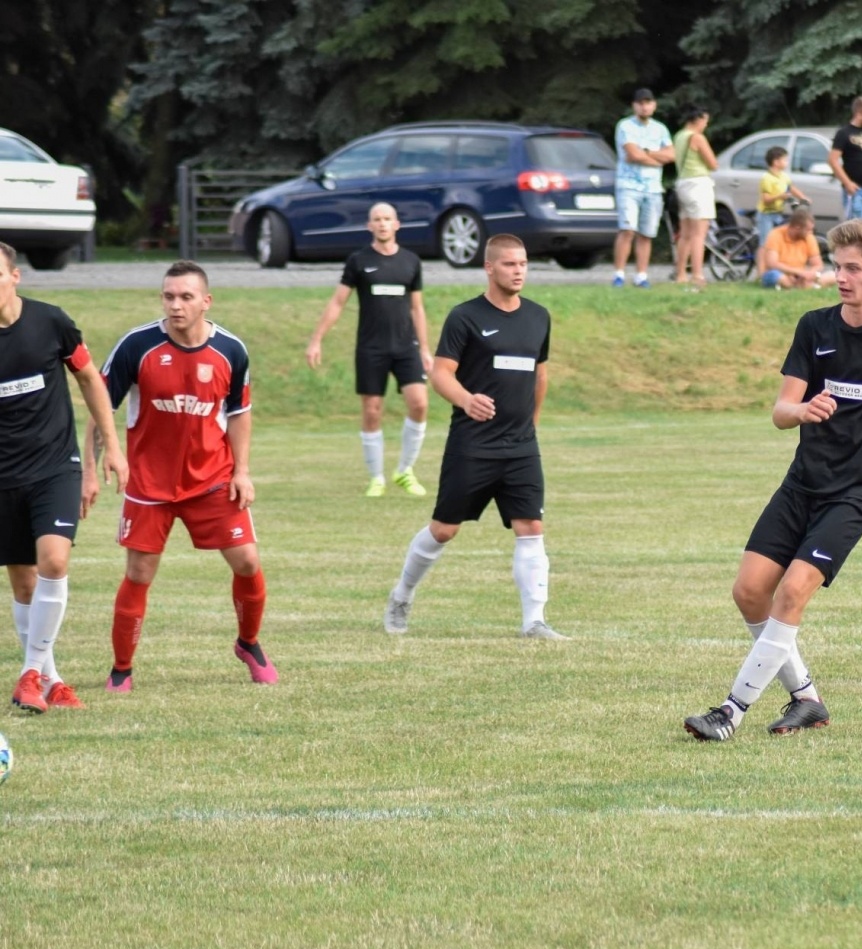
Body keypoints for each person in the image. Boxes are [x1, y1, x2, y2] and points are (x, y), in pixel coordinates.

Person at [684, 220, 862, 742]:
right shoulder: (814, 327)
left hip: (857, 492)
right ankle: (807, 699)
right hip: (802, 483)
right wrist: (802, 408)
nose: (841, 276)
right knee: (748, 593)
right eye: (837, 266)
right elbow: (780, 411)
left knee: (791, 593)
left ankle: (730, 712)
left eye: (853, 268)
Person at [92, 260, 276, 691]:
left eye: (186, 297)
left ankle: (248, 643)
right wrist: (97, 462)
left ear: (205, 302)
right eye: (169, 296)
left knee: (248, 560)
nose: (176, 305)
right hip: (149, 484)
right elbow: (101, 405)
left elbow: (240, 413)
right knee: (139, 572)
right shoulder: (137, 346)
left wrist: (243, 471)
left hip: (212, 477)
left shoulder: (231, 350)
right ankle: (121, 670)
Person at [384, 234, 565, 640]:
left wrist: (530, 423)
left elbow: (540, 374)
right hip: (473, 444)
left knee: (531, 526)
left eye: (522, 264)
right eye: (509, 265)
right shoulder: (465, 317)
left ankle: (533, 621)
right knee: (444, 529)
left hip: (520, 446)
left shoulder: (538, 316)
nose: (518, 271)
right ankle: (402, 594)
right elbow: (440, 373)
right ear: (489, 267)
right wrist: (467, 400)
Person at [0, 241, 127, 712]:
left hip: (54, 467)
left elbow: (91, 378)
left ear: (16, 277)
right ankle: (49, 679)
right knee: (25, 586)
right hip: (3, 477)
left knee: (53, 562)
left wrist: (111, 446)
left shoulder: (51, 321)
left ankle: (29, 672)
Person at [305, 202, 433, 498]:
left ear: (396, 224)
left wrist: (425, 348)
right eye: (377, 219)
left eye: (388, 218)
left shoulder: (411, 261)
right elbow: (338, 302)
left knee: (420, 404)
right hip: (371, 347)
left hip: (406, 347)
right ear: (369, 226)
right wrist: (316, 339)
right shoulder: (359, 261)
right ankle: (376, 477)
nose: (383, 224)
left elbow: (417, 307)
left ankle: (404, 470)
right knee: (372, 411)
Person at [612, 88, 674, 289]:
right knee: (628, 229)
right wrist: (656, 159)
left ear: (654, 105)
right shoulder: (625, 126)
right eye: (640, 103)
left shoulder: (660, 129)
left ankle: (641, 275)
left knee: (646, 233)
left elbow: (671, 156)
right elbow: (632, 154)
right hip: (628, 186)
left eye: (648, 102)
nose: (644, 106)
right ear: (634, 105)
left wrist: (645, 152)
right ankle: (619, 274)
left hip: (653, 188)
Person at [671, 107, 719, 288]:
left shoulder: (679, 136)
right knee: (699, 234)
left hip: (682, 184)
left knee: (685, 234)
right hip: (698, 184)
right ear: (697, 120)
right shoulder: (697, 137)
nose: (706, 125)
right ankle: (697, 274)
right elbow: (712, 163)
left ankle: (681, 273)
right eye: (705, 121)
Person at [758, 207, 835, 290]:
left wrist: (809, 274)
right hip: (780, 273)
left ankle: (801, 285)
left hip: (800, 276)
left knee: (833, 275)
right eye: (808, 230)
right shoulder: (775, 234)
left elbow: (818, 264)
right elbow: (772, 264)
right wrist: (797, 272)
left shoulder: (809, 237)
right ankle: (809, 286)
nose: (811, 232)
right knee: (777, 276)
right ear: (797, 228)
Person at [756, 146, 809, 247]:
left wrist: (802, 197)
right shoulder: (767, 178)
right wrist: (780, 196)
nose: (787, 162)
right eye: (785, 160)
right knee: (766, 243)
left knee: (782, 239)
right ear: (776, 162)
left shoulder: (783, 176)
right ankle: (763, 262)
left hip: (778, 213)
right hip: (766, 215)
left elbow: (791, 188)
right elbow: (766, 199)